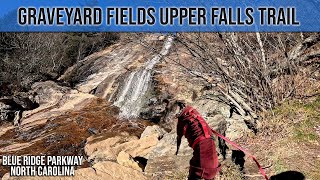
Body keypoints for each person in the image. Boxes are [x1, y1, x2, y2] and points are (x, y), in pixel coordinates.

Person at [175, 101, 220, 180]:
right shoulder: (194, 112)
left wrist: (177, 151)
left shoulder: (182, 120)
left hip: (203, 168)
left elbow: (179, 137)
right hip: (214, 166)